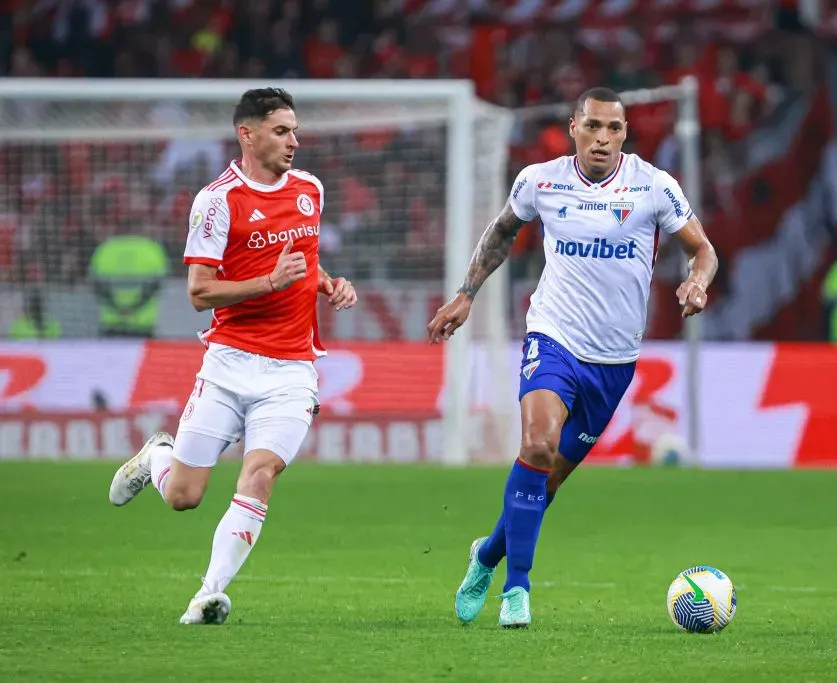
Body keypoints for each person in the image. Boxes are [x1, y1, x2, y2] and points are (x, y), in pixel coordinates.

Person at [427, 87, 718, 628]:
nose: (603, 138)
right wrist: (467, 292)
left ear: (624, 134)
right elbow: (502, 232)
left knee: (549, 480)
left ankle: (487, 556)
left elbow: (702, 249)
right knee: (536, 447)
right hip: (553, 335)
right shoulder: (539, 180)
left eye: (614, 128)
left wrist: (696, 284)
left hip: (614, 359)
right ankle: (517, 589)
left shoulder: (655, 187)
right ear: (573, 128)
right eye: (593, 127)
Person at [107, 88, 357, 625]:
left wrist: (329, 284)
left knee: (260, 473)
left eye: (294, 130)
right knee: (183, 496)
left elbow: (304, 262)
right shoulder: (217, 200)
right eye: (282, 130)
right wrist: (268, 281)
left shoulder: (309, 189)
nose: (294, 140)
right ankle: (157, 456)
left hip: (291, 370)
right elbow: (199, 291)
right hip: (227, 365)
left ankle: (208, 594)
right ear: (248, 134)